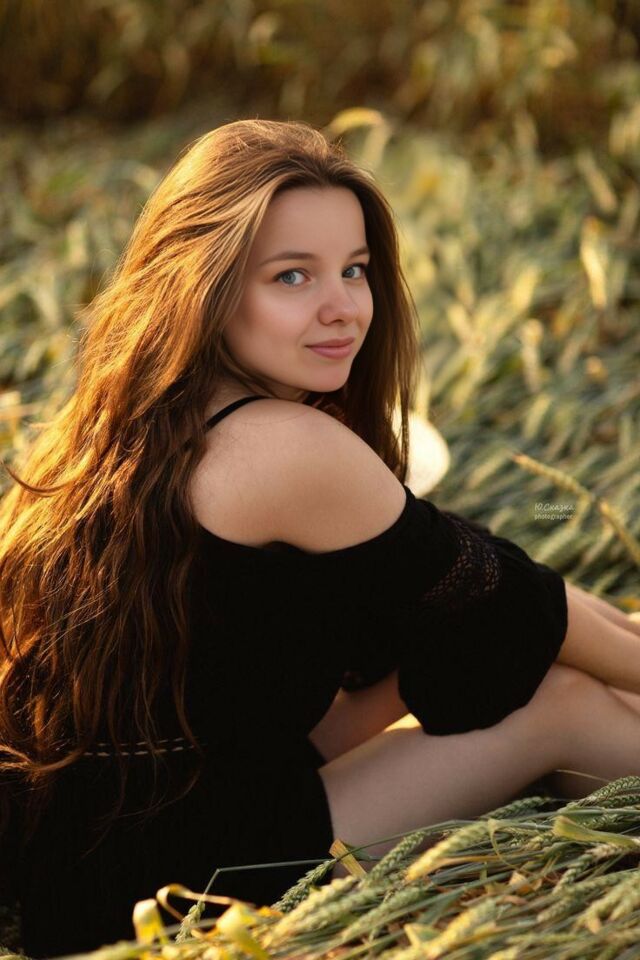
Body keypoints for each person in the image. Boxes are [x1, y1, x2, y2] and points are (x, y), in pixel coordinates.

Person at [1, 118, 640, 958]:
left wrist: (479, 635)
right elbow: (518, 603)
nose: (342, 307)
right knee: (561, 698)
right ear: (206, 285)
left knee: (545, 659)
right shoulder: (284, 447)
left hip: (86, 852)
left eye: (355, 269)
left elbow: (325, 708)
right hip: (170, 872)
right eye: (292, 276)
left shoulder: (130, 426)